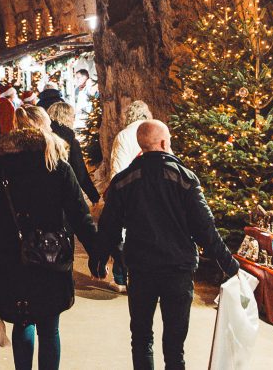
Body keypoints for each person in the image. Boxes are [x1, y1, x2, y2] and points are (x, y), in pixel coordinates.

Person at [92, 120, 239, 370]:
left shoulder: (124, 181)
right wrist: (229, 264)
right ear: (163, 143)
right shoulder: (184, 178)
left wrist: (99, 259)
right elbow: (205, 228)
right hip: (177, 269)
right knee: (174, 345)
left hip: (140, 268)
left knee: (141, 338)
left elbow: (109, 226)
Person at [0, 106, 99, 370]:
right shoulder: (56, 164)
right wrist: (97, 253)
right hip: (51, 253)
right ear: (44, 126)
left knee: (23, 321)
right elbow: (80, 215)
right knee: (49, 326)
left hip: (11, 255)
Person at [96, 99, 155, 292]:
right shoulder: (155, 131)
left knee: (120, 235)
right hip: (151, 191)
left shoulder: (123, 136)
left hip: (129, 191)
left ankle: (121, 277)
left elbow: (118, 169)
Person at [47, 102, 99, 205]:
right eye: (72, 116)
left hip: (46, 191)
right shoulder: (70, 141)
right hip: (65, 191)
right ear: (67, 117)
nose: (74, 119)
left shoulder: (46, 137)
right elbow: (80, 172)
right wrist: (94, 196)